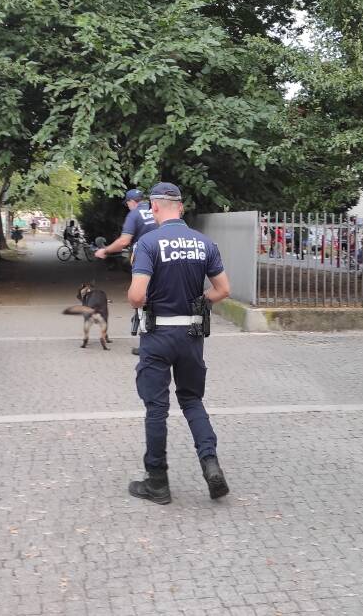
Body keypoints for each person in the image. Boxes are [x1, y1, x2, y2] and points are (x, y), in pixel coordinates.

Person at [126, 182, 232, 505]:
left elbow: (137, 296)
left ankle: (157, 482)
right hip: (191, 336)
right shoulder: (205, 244)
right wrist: (201, 299)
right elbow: (223, 290)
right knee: (191, 400)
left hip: (158, 337)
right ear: (181, 208)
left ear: (154, 208)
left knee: (156, 408)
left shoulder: (148, 243)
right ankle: (210, 463)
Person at [96, 189, 158, 354]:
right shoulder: (157, 209)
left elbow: (124, 241)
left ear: (132, 202)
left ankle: (148, 345)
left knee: (143, 299)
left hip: (145, 262)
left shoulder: (135, 214)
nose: (128, 206)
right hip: (166, 258)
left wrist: (105, 251)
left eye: (128, 204)